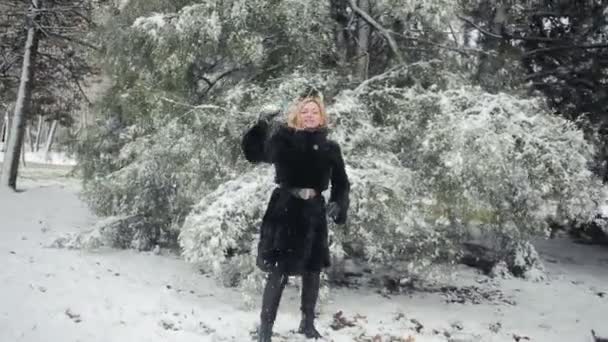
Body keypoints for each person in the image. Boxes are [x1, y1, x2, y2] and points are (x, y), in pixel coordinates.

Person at [241, 89, 350, 341]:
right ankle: (265, 329)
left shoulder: (330, 147)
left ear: (321, 117)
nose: (310, 115)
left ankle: (307, 324)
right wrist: (261, 124)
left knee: (312, 271)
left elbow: (342, 183)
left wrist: (337, 203)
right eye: (305, 111)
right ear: (297, 116)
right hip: (285, 210)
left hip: (314, 214)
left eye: (314, 111)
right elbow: (254, 154)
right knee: (278, 271)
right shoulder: (283, 139)